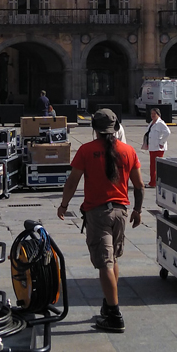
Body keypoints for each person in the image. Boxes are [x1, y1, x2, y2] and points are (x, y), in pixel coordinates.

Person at [57, 109, 144, 333]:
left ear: (94, 128)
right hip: (121, 213)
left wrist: (64, 205)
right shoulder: (128, 151)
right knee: (112, 259)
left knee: (105, 262)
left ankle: (115, 315)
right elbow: (140, 186)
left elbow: (72, 182)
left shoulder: (86, 150)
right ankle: (108, 304)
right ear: (115, 128)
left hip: (98, 214)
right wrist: (138, 210)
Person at [142, 107, 170, 187]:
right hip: (152, 147)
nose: (153, 115)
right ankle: (154, 181)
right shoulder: (152, 123)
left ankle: (153, 183)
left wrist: (162, 142)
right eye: (152, 114)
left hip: (158, 148)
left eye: (154, 114)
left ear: (158, 114)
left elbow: (167, 132)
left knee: (155, 166)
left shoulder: (160, 123)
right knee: (152, 165)